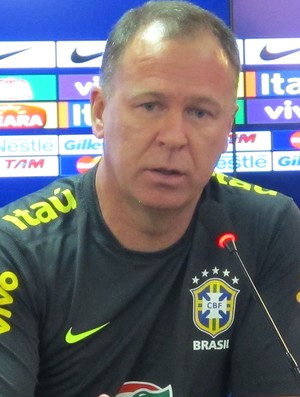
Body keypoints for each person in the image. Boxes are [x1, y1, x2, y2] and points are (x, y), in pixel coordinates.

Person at [0, 1, 300, 396]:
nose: (174, 136)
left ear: (228, 128)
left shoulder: (270, 228)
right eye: (150, 105)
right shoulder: (17, 250)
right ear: (99, 112)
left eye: (200, 112)